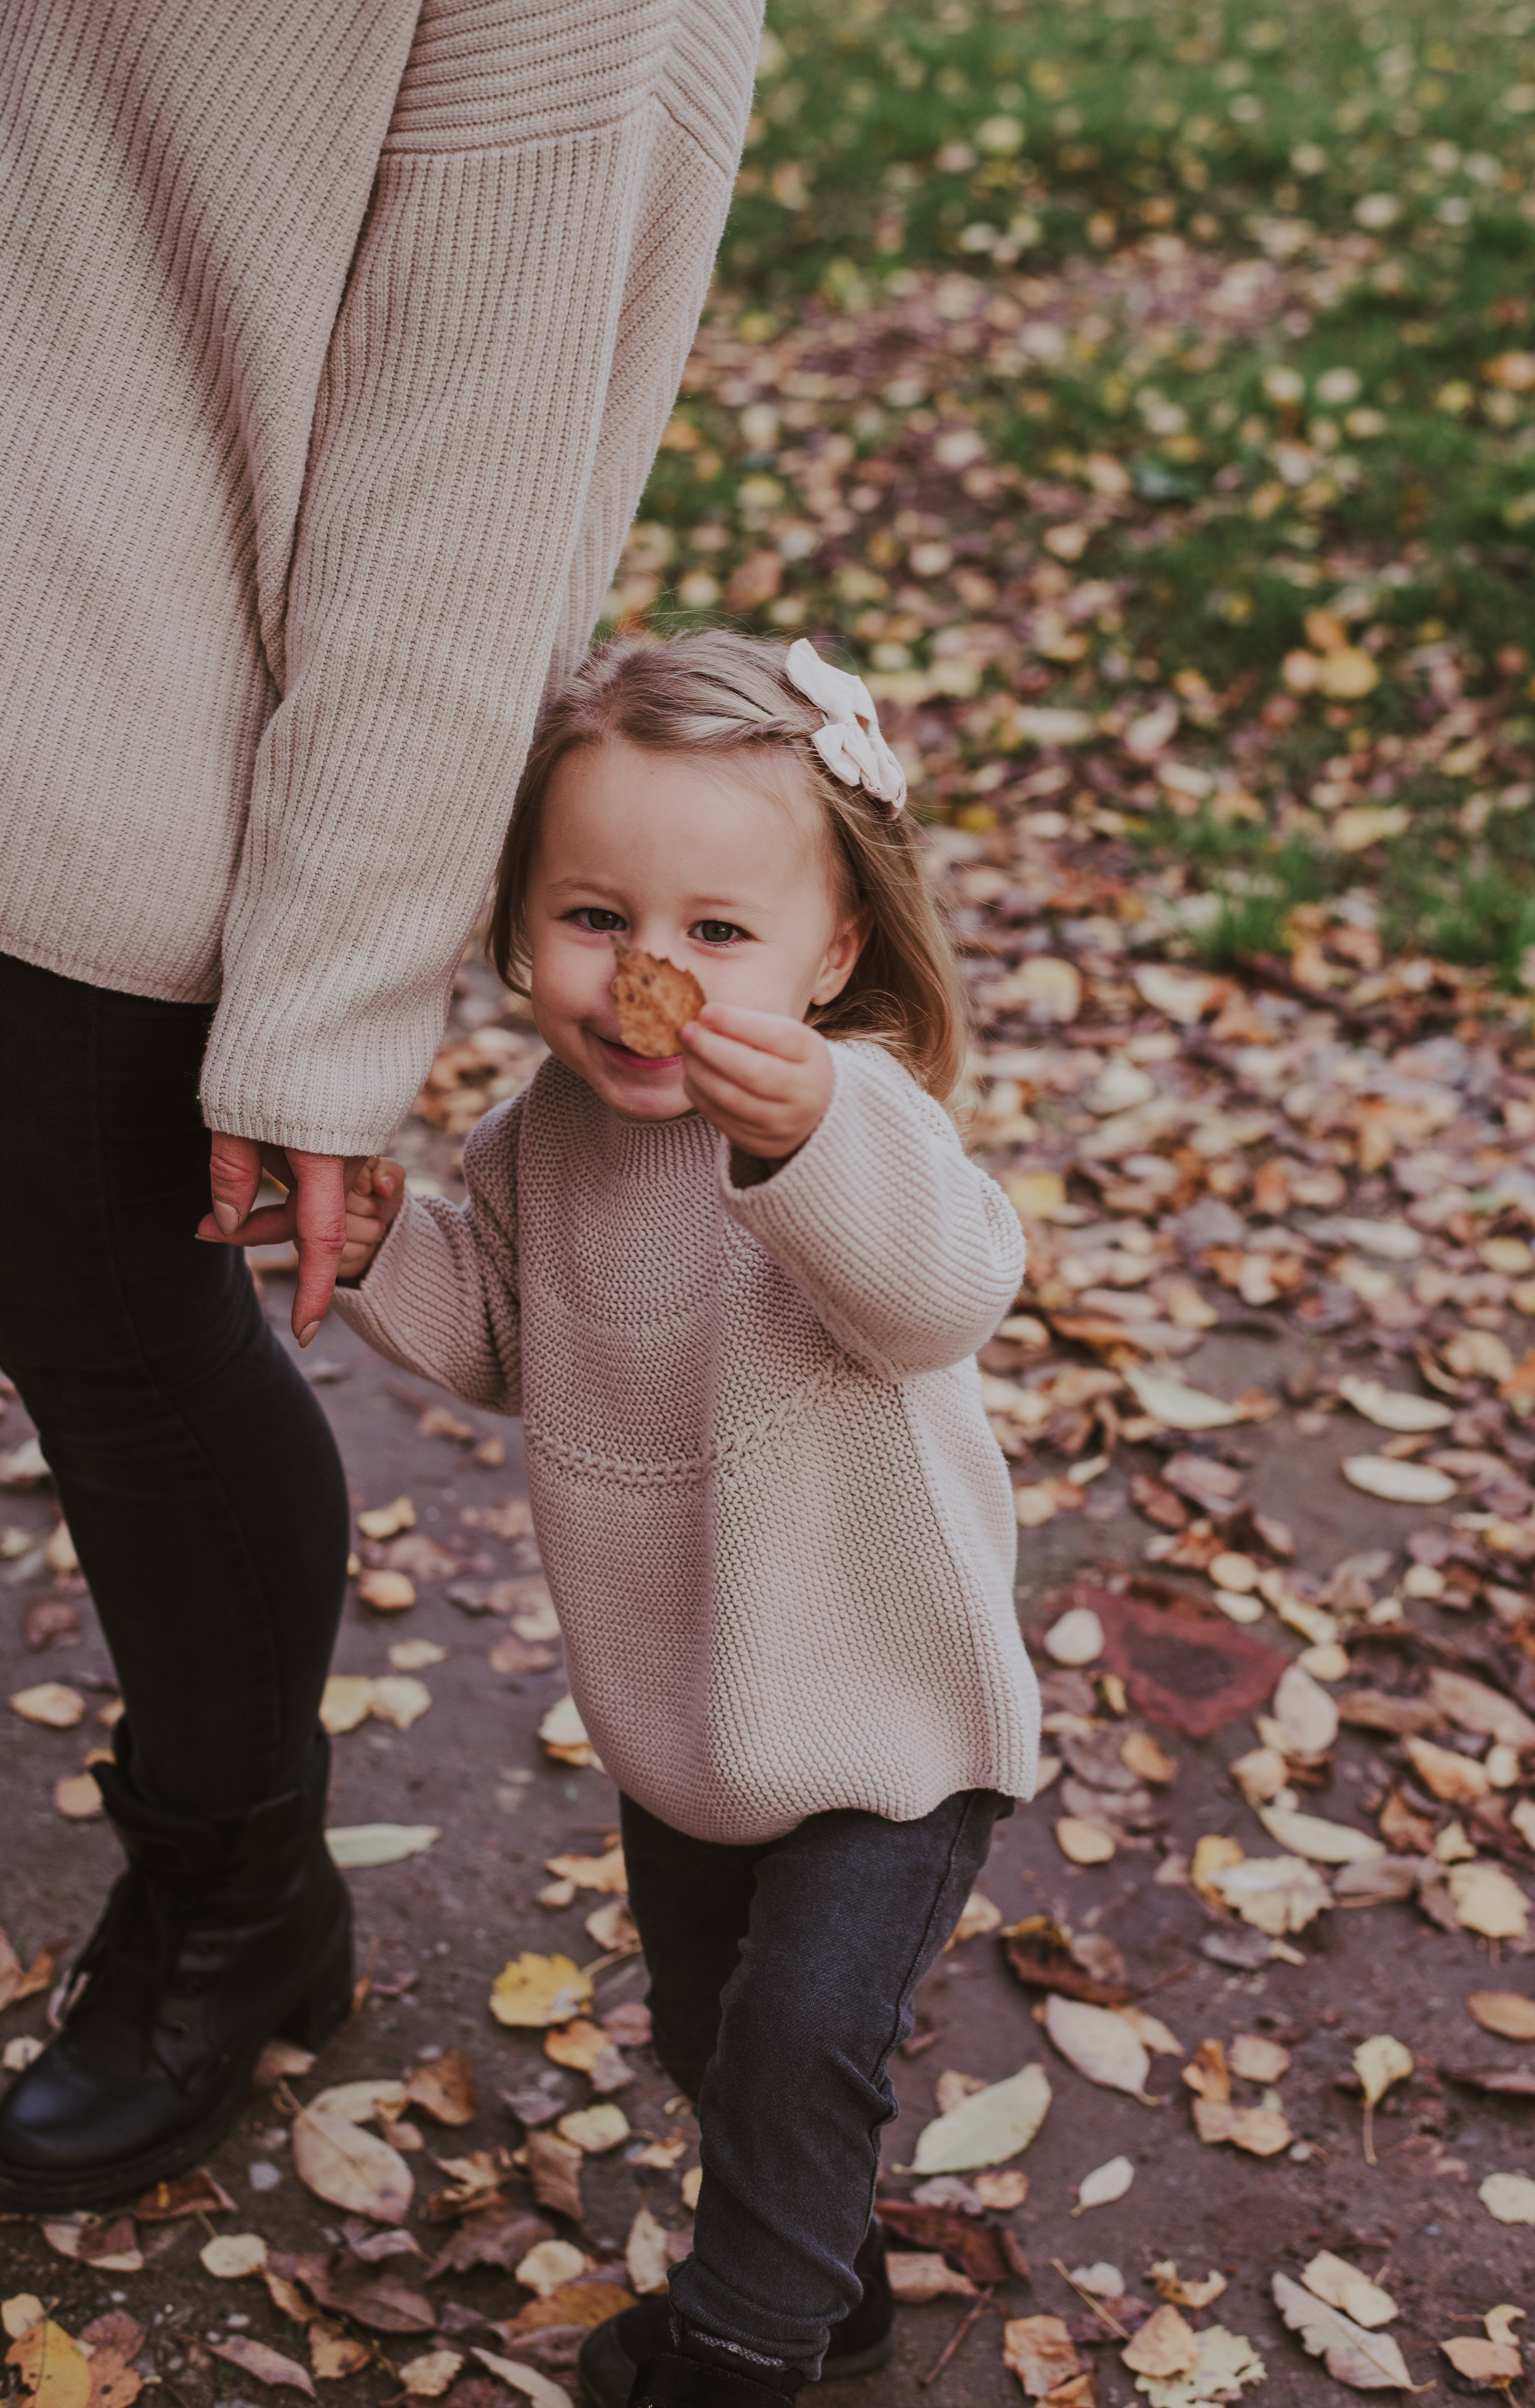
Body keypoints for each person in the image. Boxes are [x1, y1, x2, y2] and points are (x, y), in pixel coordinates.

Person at [0, 1, 762, 2208]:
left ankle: (239, 1907)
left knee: (123, 1346)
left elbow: (472, 487)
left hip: (112, 761)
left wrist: (330, 1011)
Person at [323, 632, 1041, 2407]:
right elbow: (501, 1330)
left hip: (889, 1714)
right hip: (685, 1714)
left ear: (834, 950)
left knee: (804, 2034)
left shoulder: (849, 1117)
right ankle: (836, 2286)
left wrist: (809, 1146)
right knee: (716, 2036)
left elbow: (945, 1291)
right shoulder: (536, 1136)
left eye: (719, 932)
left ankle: (747, 2347)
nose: (651, 972)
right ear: (521, 925)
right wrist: (351, 1242)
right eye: (595, 916)